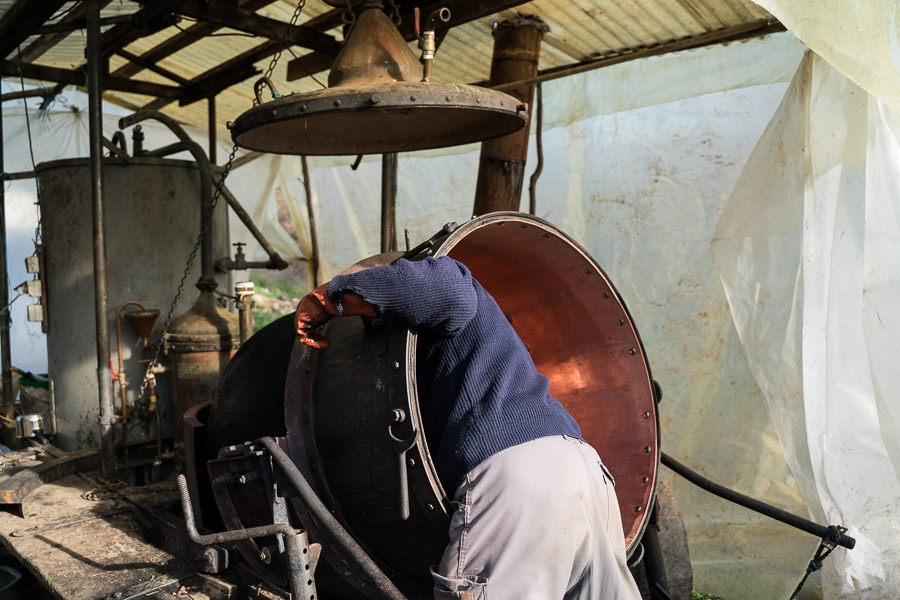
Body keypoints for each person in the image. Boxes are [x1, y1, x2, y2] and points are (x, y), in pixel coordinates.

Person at [295, 255, 641, 600]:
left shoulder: (448, 279)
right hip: (582, 466)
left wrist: (326, 299)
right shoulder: (470, 348)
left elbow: (446, 287)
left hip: (519, 477)